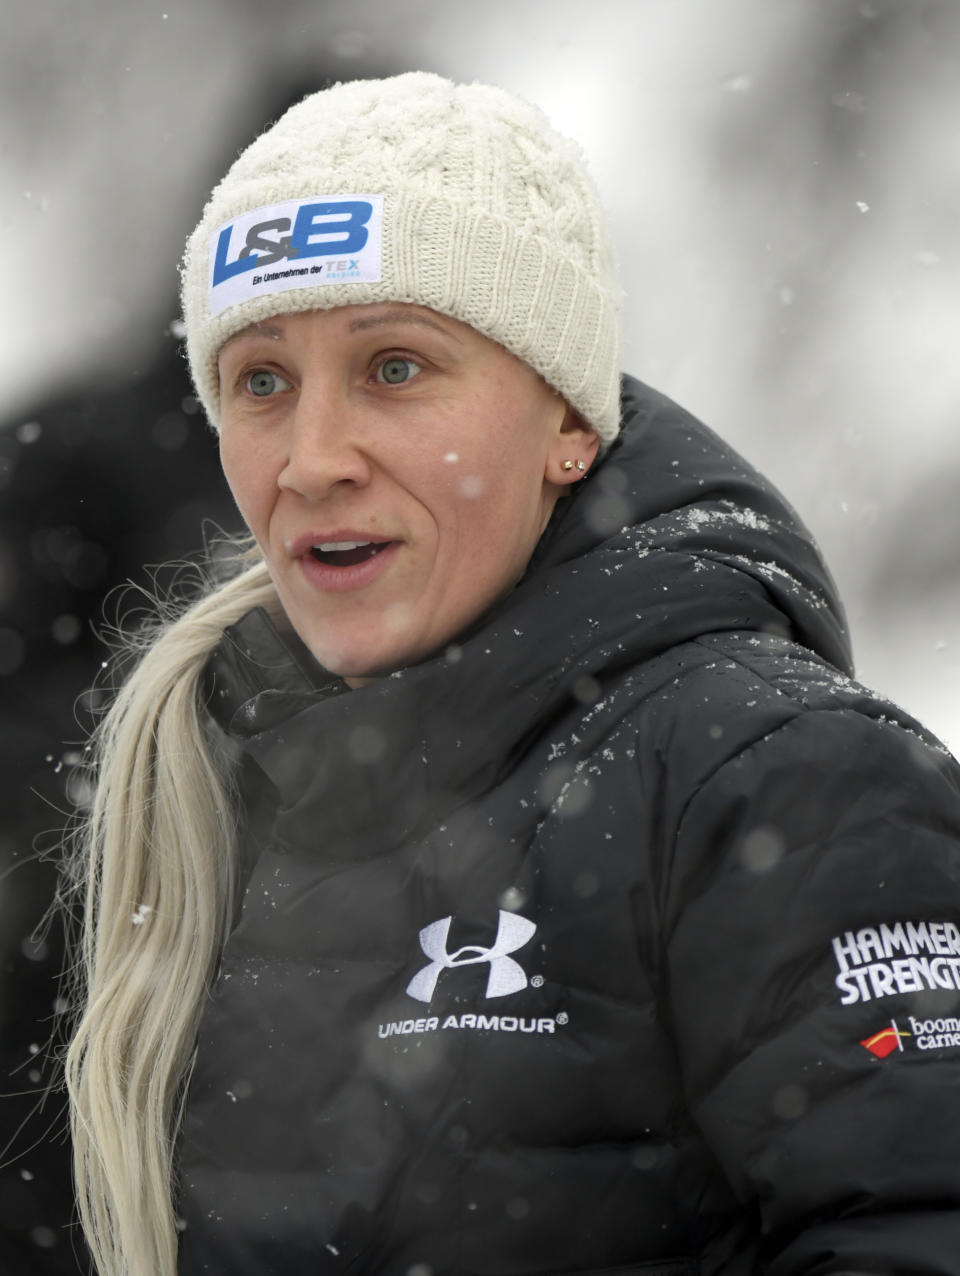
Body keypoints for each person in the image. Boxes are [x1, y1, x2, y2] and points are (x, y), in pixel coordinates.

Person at [61, 71, 960, 1276]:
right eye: (261, 382)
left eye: (394, 367)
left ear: (568, 423)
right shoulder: (198, 784)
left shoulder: (786, 781)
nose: (312, 458)